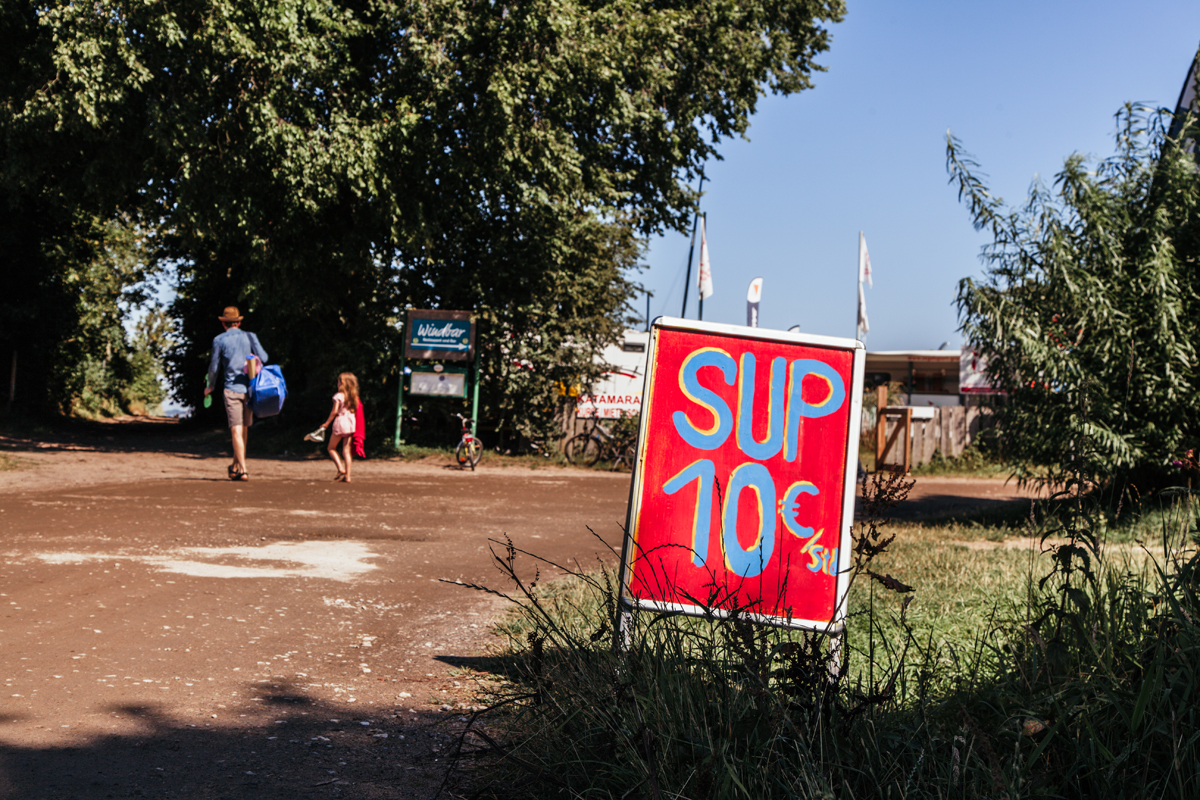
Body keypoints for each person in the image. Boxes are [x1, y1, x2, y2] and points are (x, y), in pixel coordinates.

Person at [204, 306, 269, 481]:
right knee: (244, 430)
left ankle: (244, 470)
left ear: (224, 324)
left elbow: (214, 367)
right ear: (239, 322)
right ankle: (235, 467)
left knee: (236, 431)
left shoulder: (219, 340)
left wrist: (210, 386)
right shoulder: (250, 336)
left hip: (231, 389)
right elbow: (264, 357)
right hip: (250, 389)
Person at [316, 372, 359, 482]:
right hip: (350, 423)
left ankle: (340, 468)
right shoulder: (353, 396)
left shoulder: (339, 396)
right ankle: (348, 476)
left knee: (331, 448)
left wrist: (326, 423)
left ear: (342, 382)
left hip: (341, 422)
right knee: (346, 450)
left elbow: (335, 411)